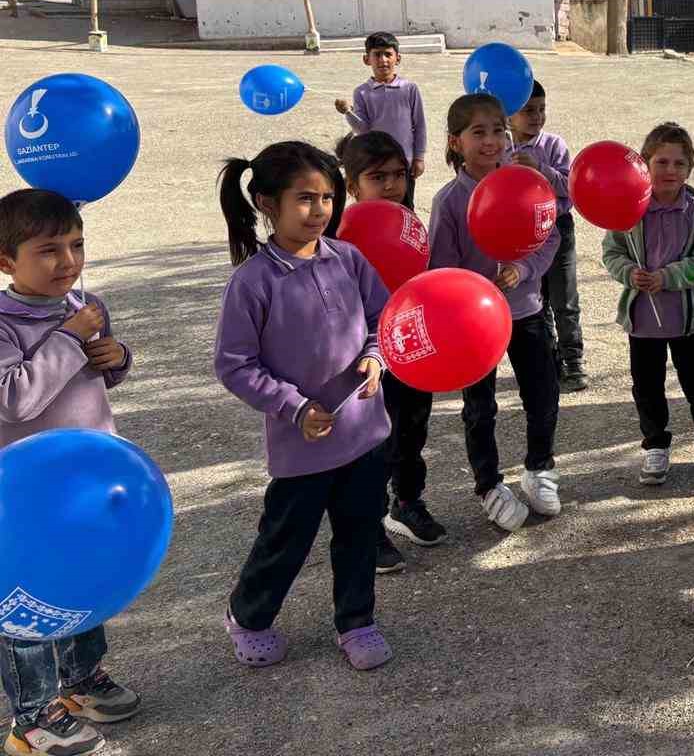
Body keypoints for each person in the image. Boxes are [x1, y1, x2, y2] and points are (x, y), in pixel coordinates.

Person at [214, 141, 394, 672]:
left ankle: (356, 621)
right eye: (305, 198)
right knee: (286, 540)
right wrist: (293, 407)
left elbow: (383, 318)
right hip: (303, 447)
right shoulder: (252, 281)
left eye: (328, 198)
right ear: (267, 203)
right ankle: (248, 615)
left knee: (360, 533)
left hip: (365, 435)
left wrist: (375, 356)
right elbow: (234, 364)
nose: (320, 210)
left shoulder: (349, 259)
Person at [0, 189, 139, 756]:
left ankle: (81, 679)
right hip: (27, 495)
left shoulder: (85, 305)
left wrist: (116, 358)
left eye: (76, 246)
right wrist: (70, 338)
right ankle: (31, 720)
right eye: (48, 250)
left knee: (84, 582)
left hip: (88, 483)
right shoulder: (5, 323)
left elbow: (95, 376)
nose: (68, 261)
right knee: (28, 602)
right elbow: (15, 399)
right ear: (6, 261)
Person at [429, 92, 563, 530]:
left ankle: (540, 467)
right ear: (456, 142)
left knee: (543, 393)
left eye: (497, 131)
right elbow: (441, 266)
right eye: (478, 132)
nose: (490, 141)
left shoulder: (525, 185)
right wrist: (474, 290)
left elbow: (550, 237)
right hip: (475, 324)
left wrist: (523, 269)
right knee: (480, 407)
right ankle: (488, 485)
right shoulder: (450, 200)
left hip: (526, 309)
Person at [601, 122, 694, 487]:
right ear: (645, 164)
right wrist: (629, 273)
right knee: (647, 387)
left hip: (686, 320)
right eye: (661, 162)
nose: (670, 170)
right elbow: (611, 253)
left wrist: (668, 277)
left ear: (690, 168)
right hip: (643, 321)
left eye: (679, 163)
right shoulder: (628, 208)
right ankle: (655, 445)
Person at [335, 131, 444, 573]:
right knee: (371, 443)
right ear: (352, 185)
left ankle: (407, 502)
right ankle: (370, 523)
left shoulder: (408, 222)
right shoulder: (341, 234)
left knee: (412, 429)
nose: (391, 184)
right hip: (364, 356)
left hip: (411, 346)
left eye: (398, 174)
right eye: (377, 177)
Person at [508, 82, 587, 392]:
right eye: (528, 110)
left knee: (564, 297)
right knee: (536, 298)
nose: (537, 116)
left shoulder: (554, 145)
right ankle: (549, 359)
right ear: (509, 115)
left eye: (541, 109)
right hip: (524, 233)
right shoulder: (502, 149)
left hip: (558, 228)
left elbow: (570, 187)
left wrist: (540, 168)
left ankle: (574, 360)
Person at [333, 32, 426, 206]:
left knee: (405, 205)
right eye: (377, 54)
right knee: (377, 205)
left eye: (388, 54)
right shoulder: (361, 92)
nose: (383, 60)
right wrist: (348, 112)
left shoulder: (409, 89)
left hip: (403, 164)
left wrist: (419, 158)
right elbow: (363, 130)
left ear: (398, 58)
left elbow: (419, 125)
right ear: (366, 59)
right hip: (375, 163)